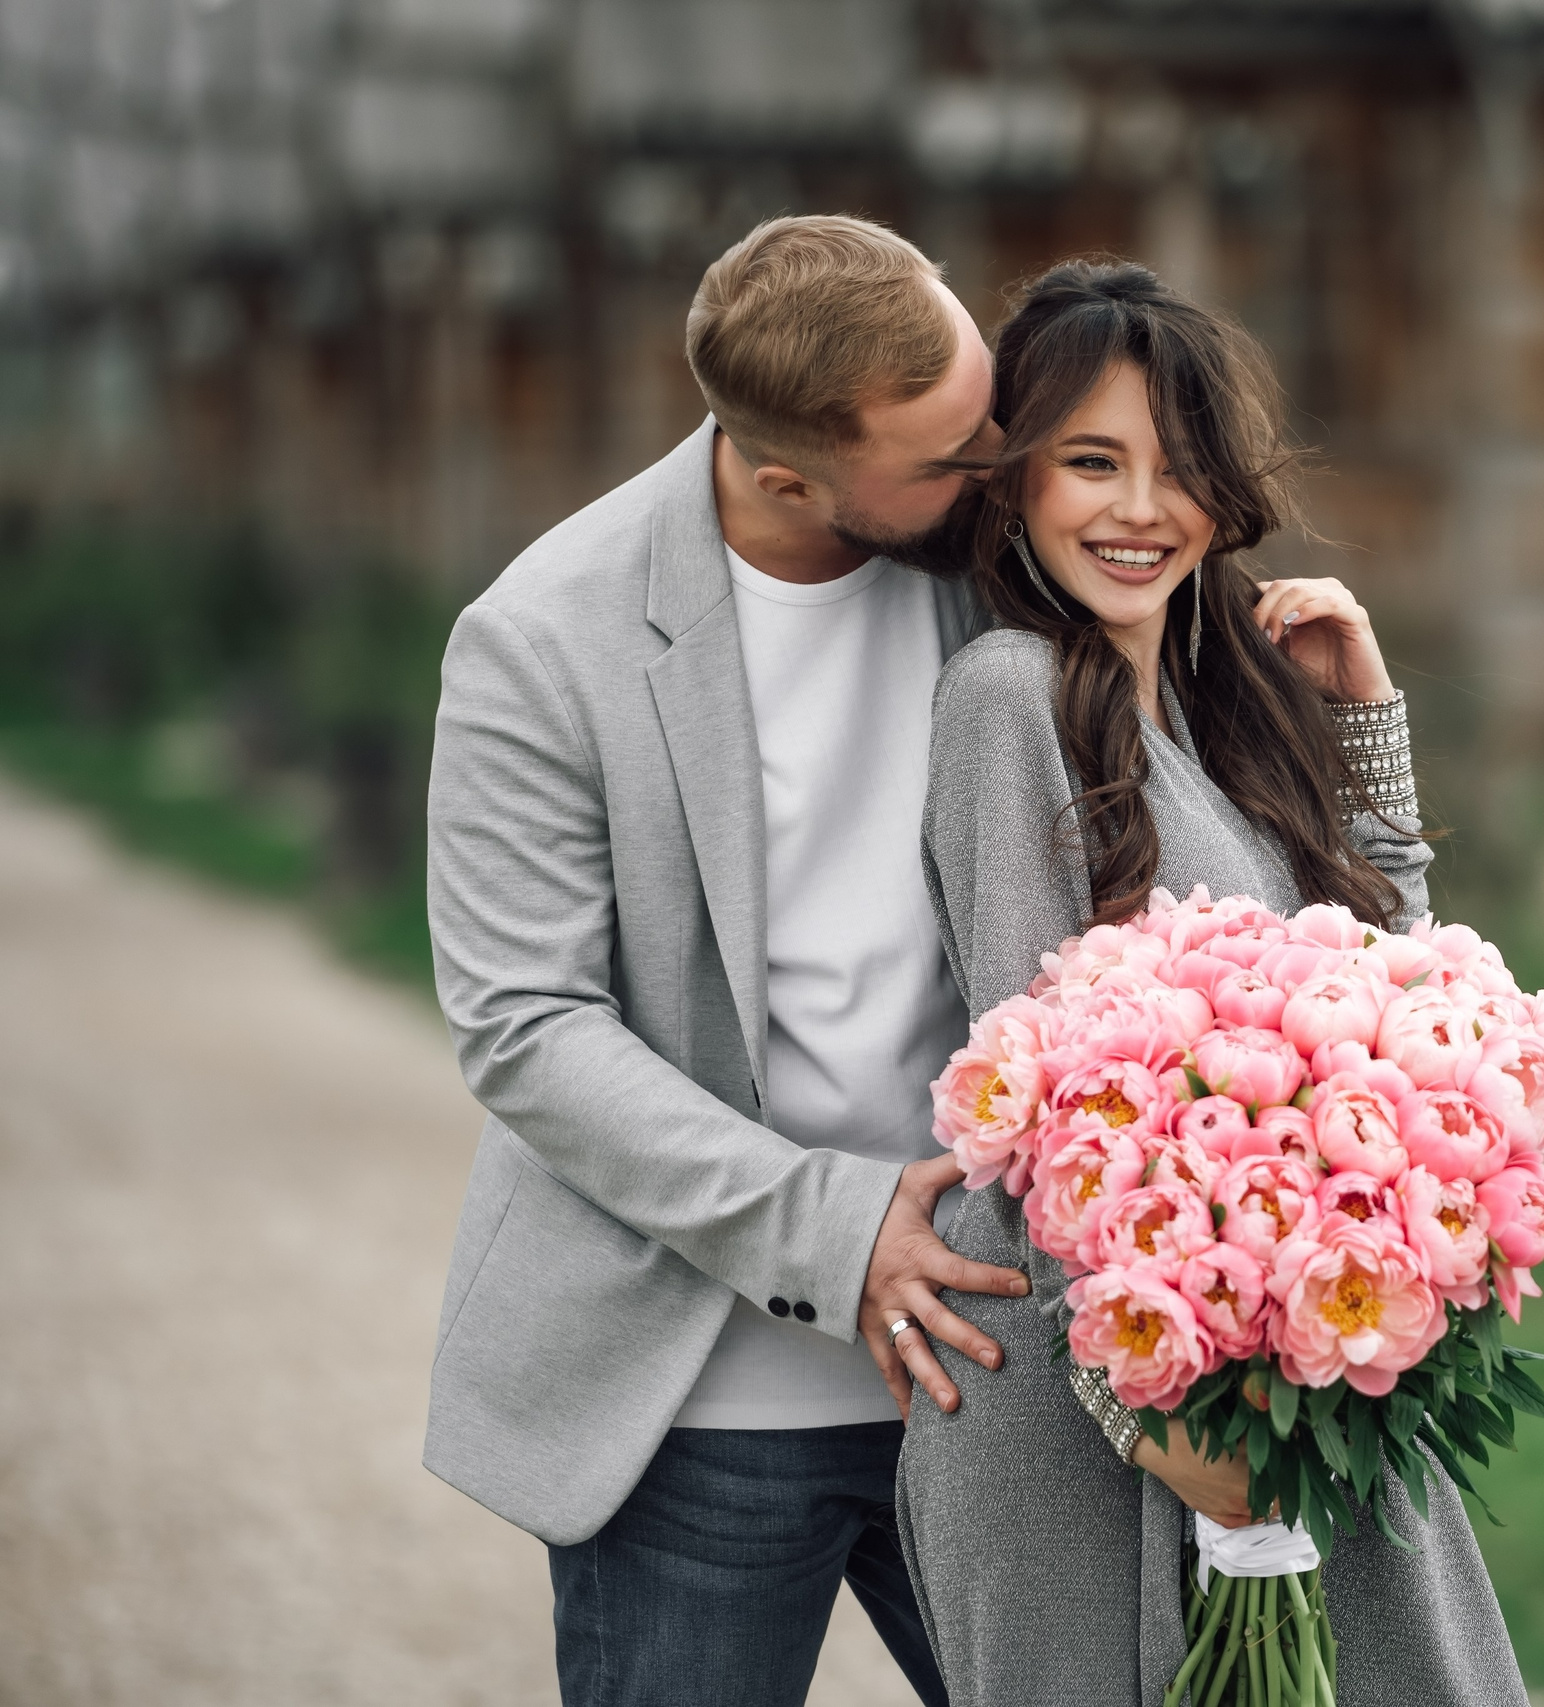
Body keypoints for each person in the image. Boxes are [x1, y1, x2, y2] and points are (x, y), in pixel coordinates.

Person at [896, 260, 1532, 1706]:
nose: (1140, 509)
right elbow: (1031, 1093)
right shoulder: (1007, 697)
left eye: (1177, 469)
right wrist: (1140, 1415)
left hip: (1273, 1369)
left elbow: (1399, 997)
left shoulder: (1215, 710)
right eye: (1092, 463)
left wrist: (1365, 722)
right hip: (1103, 1400)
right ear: (1013, 484)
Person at [422, 214, 1032, 1707]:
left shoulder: (1002, 566)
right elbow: (525, 1027)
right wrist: (841, 1233)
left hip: (1006, 1374)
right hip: (694, 1406)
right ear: (786, 476)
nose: (999, 465)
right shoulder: (539, 641)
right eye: (950, 457)